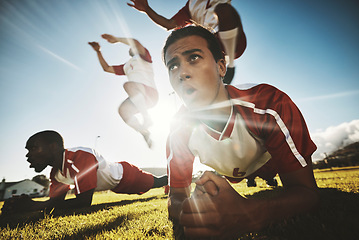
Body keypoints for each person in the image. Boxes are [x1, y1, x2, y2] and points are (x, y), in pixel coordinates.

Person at [162, 25, 319, 239]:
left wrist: (250, 214)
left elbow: (307, 193)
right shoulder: (178, 130)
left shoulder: (268, 103)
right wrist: (191, 213)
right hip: (231, 174)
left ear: (221, 68)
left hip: (270, 163)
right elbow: (176, 196)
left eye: (194, 58)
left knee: (279, 182)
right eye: (173, 66)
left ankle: (269, 180)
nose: (182, 73)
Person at [1, 130, 168, 214]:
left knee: (159, 182)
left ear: (54, 146)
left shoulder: (80, 156)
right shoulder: (55, 174)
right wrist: (29, 206)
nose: (28, 155)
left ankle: (178, 176)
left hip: (127, 175)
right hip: (115, 185)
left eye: (33, 148)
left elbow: (83, 202)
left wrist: (32, 206)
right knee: (157, 182)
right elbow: (54, 203)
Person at [128, 0, 246, 84]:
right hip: (209, 44)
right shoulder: (190, 5)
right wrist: (147, 9)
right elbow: (169, 24)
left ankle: (229, 65)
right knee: (183, 37)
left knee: (224, 9)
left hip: (232, 38)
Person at [89, 34, 158, 148]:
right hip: (138, 97)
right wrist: (98, 51)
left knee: (128, 85)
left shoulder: (144, 57)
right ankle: (144, 132)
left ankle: (147, 118)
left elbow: (135, 42)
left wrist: (117, 39)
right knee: (123, 110)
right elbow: (106, 68)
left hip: (150, 93)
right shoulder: (126, 66)